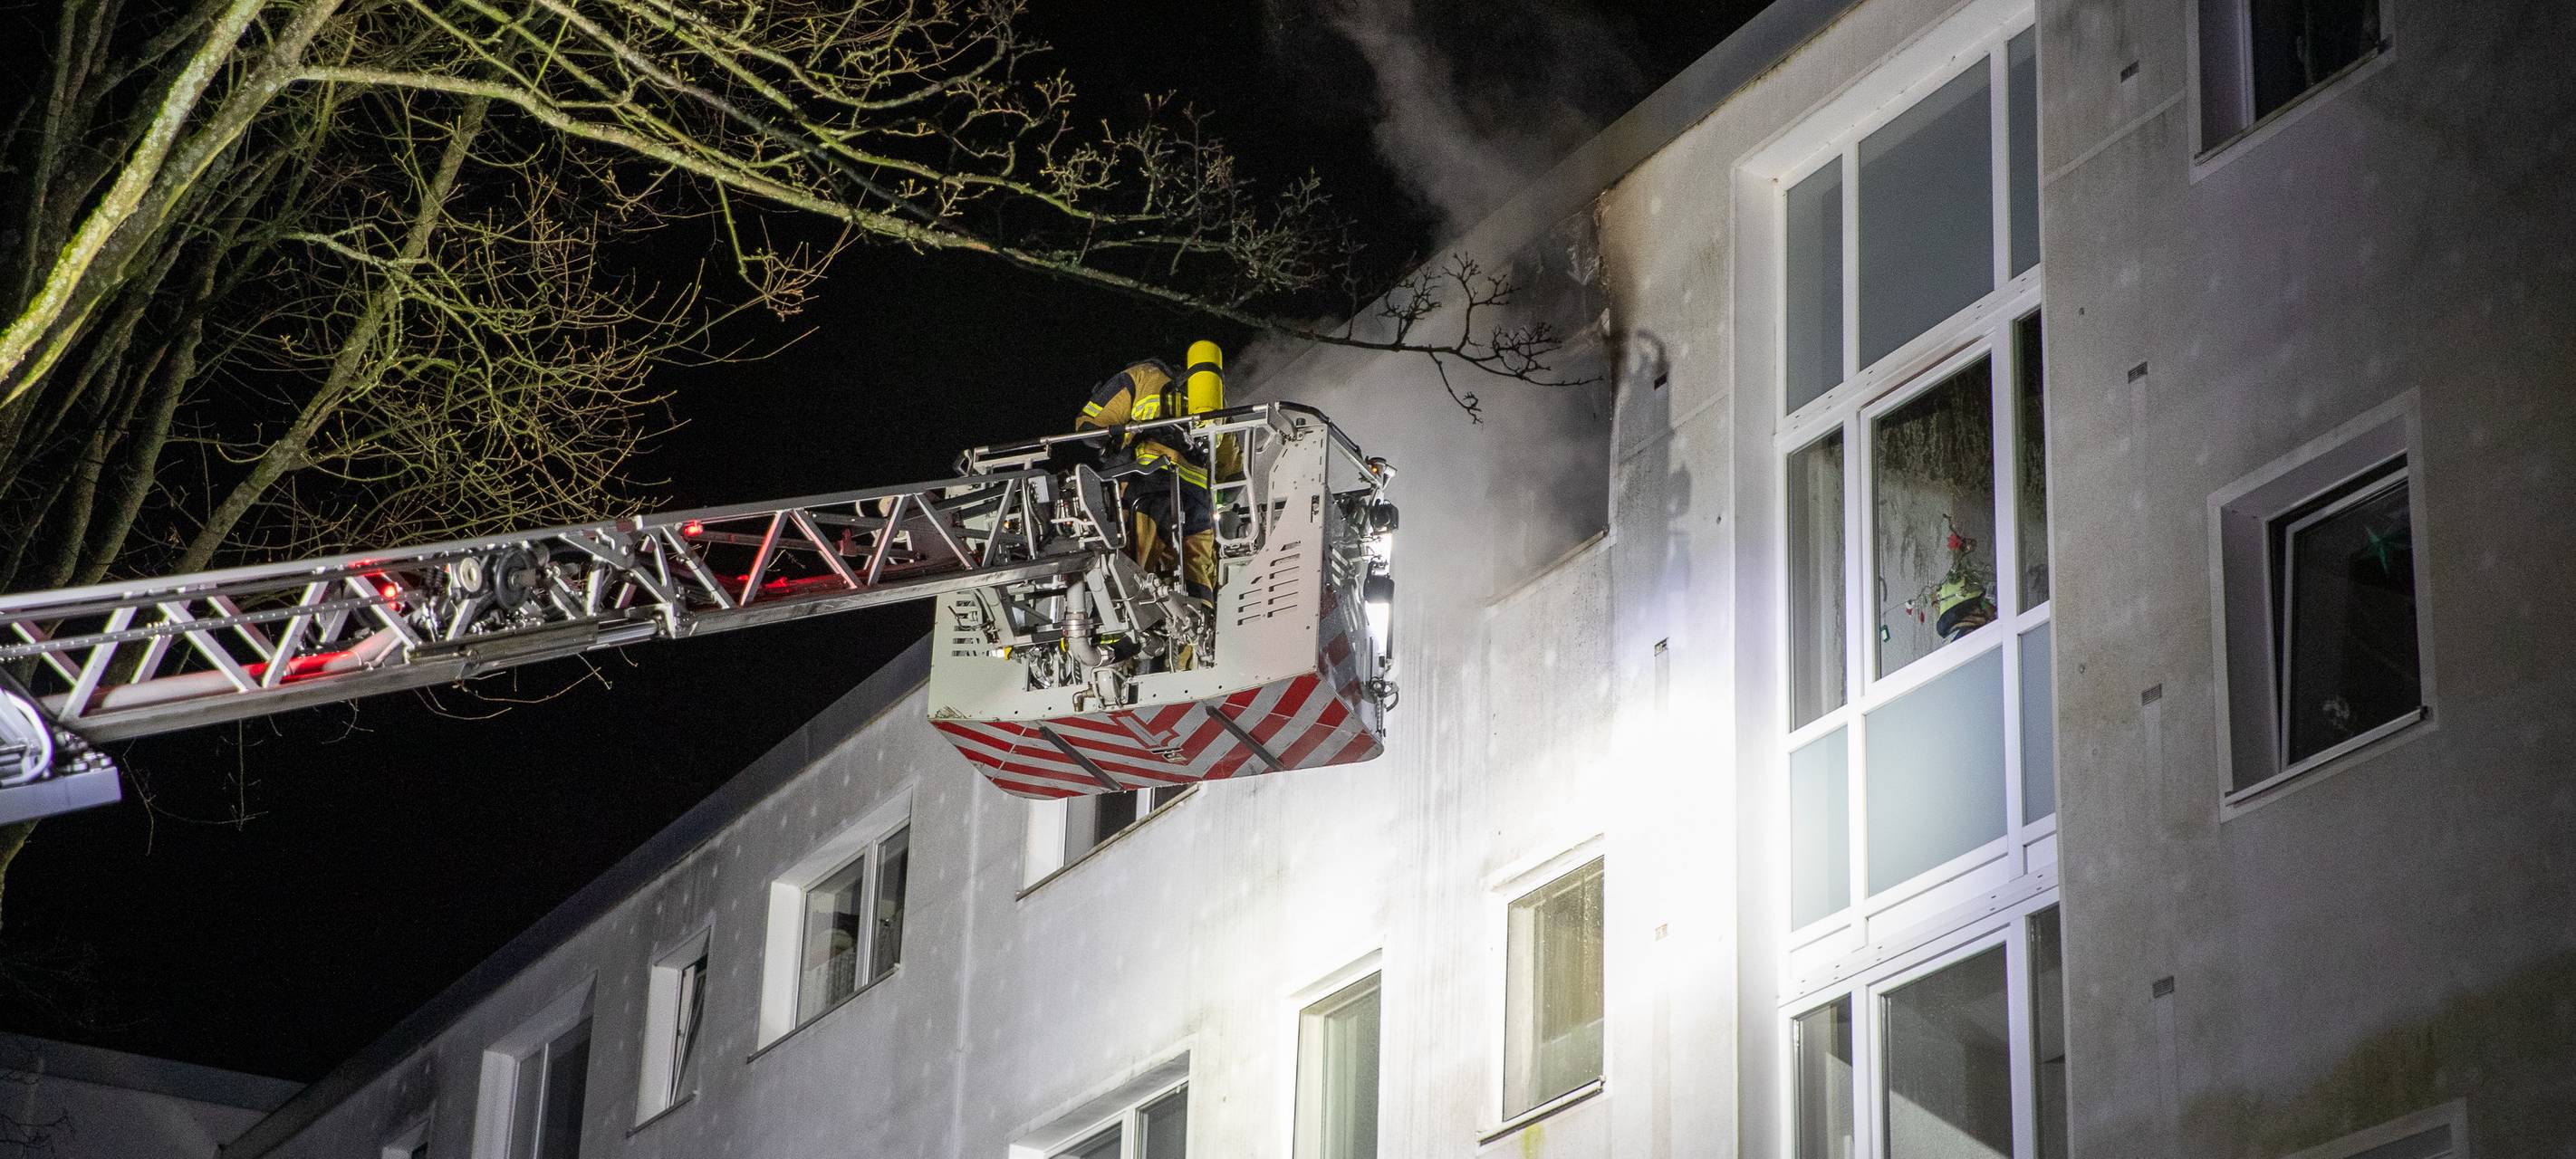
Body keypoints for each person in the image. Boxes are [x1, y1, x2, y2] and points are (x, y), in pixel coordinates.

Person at [1072, 344, 1231, 601]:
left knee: (1131, 570)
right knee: (1196, 577)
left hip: (1146, 486)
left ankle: (1123, 637)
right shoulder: (1214, 398)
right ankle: (1200, 632)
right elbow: (1231, 470)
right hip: (1198, 501)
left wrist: (1116, 443)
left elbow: (1088, 426)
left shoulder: (1140, 375)